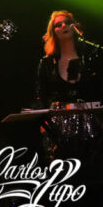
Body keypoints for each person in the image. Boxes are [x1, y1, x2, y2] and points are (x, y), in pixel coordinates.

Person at [34, 10, 103, 161]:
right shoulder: (46, 63)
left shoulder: (92, 57)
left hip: (92, 123)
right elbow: (41, 93)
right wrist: (45, 122)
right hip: (58, 126)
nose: (64, 25)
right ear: (53, 32)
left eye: (67, 22)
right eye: (58, 25)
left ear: (74, 26)